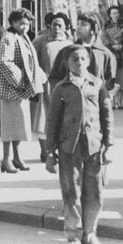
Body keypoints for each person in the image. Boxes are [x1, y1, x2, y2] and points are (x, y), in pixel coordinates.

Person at [44, 45, 113, 244]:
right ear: (67, 63)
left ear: (89, 61)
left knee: (95, 192)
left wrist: (108, 145)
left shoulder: (97, 85)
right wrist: (50, 152)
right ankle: (73, 234)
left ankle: (90, 234)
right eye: (75, 59)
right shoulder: (61, 89)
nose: (80, 63)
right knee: (71, 192)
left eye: (83, 59)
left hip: (93, 146)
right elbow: (52, 122)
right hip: (69, 147)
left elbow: (107, 116)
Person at [0, 8, 46, 173]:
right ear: (12, 23)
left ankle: (17, 157)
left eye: (27, 24)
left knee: (18, 123)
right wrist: (20, 81)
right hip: (10, 89)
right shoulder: (9, 38)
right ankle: (6, 160)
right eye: (21, 23)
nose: (25, 26)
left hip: (17, 89)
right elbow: (4, 62)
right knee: (10, 125)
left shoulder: (21, 36)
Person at [32, 12, 73, 162]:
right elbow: (31, 59)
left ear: (65, 27)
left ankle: (60, 150)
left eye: (60, 25)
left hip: (64, 86)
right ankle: (45, 150)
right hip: (45, 85)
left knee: (63, 118)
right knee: (44, 118)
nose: (56, 28)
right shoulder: (41, 41)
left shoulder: (69, 44)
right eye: (54, 24)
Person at [49, 14, 116, 91]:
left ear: (94, 29)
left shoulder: (106, 54)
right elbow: (54, 78)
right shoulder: (66, 51)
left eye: (83, 24)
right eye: (77, 24)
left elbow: (110, 84)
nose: (78, 27)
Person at [101, 5, 123, 110]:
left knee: (122, 76)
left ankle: (121, 100)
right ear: (110, 15)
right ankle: (113, 100)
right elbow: (103, 38)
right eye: (114, 13)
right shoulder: (106, 25)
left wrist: (122, 44)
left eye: (117, 13)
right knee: (112, 76)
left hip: (122, 53)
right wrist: (110, 46)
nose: (116, 15)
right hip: (111, 53)